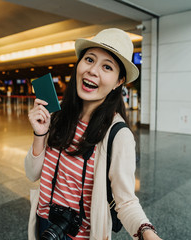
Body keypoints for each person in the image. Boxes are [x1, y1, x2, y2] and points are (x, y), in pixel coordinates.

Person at [25, 28, 162, 240]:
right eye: (89, 60)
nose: (93, 71)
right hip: (44, 222)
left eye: (107, 67)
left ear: (118, 81)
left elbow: (126, 202)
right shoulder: (58, 113)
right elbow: (33, 174)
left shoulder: (117, 135)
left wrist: (147, 233)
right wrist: (39, 134)